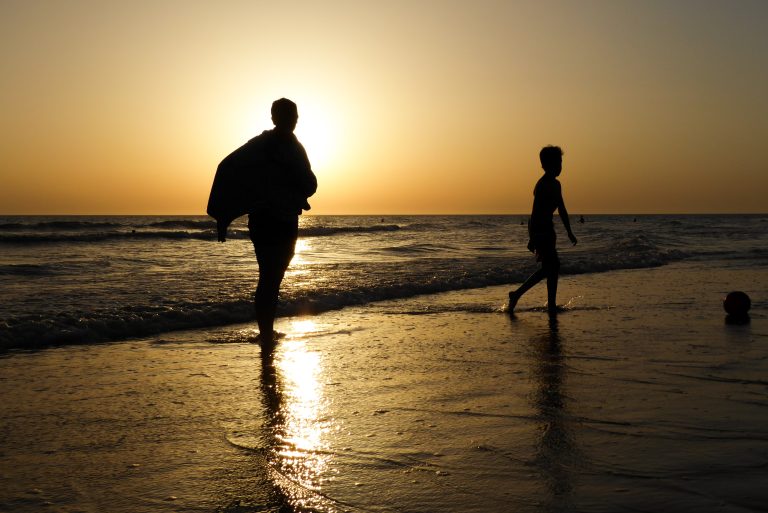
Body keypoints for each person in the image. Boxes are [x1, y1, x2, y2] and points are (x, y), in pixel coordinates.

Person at [208, 98, 317, 346]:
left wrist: (224, 215)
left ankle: (266, 332)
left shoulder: (268, 145)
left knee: (271, 276)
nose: (296, 119)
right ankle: (266, 333)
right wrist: (223, 214)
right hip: (273, 221)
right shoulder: (274, 146)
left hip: (274, 220)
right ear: (277, 117)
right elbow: (227, 168)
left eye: (296, 115)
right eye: (292, 115)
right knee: (270, 277)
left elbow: (227, 168)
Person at [508, 145, 576, 314]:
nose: (561, 166)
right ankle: (518, 294)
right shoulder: (542, 185)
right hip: (540, 230)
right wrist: (532, 237)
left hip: (549, 230)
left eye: (561, 162)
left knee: (552, 268)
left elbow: (562, 209)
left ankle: (547, 302)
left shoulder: (556, 184)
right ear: (547, 165)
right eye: (558, 162)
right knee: (551, 267)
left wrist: (569, 231)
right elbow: (534, 214)